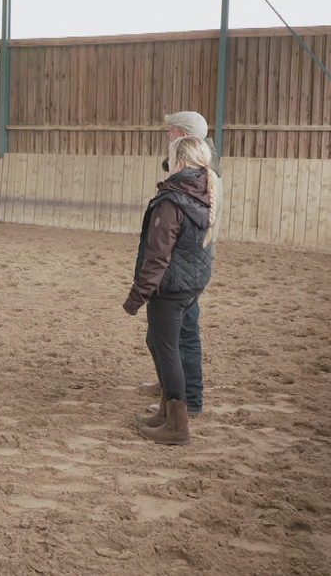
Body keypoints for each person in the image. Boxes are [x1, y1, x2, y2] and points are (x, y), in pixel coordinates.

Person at [123, 136, 219, 445]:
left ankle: (177, 426)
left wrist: (137, 295)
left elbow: (158, 255)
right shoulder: (202, 193)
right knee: (159, 342)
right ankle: (167, 411)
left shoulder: (171, 200)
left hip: (171, 287)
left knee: (167, 350)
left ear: (179, 163)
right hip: (190, 283)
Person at [138, 111, 222, 417]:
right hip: (189, 266)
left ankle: (189, 401)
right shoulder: (196, 169)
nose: (167, 137)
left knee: (182, 337)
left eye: (171, 132)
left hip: (185, 268)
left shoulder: (202, 175)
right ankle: (170, 390)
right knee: (166, 337)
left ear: (183, 136)